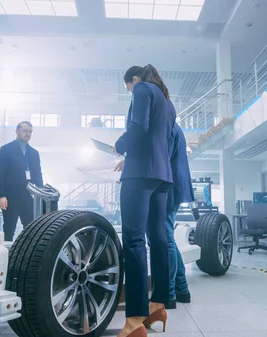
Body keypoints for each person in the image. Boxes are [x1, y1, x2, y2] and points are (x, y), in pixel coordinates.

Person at [114, 64, 175, 337]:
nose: (130, 91)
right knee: (158, 238)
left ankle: (134, 320)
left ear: (134, 79)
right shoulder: (167, 102)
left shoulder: (141, 89)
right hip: (162, 176)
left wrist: (119, 145)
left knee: (134, 240)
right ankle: (158, 304)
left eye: (128, 87)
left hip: (139, 174)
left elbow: (138, 126)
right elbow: (164, 140)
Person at [0, 121, 43, 241]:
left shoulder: (34, 153)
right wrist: (1, 195)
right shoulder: (6, 150)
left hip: (28, 196)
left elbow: (37, 174)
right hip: (10, 197)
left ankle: (27, 255)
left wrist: (41, 193)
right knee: (9, 228)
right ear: (17, 131)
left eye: (30, 132)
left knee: (31, 228)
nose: (28, 134)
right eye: (25, 131)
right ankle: (7, 256)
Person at [163, 120, 194, 309]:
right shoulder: (173, 125)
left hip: (168, 188)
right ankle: (181, 290)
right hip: (173, 186)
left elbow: (160, 158)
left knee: (164, 240)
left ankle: (169, 294)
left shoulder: (166, 125)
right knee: (169, 240)